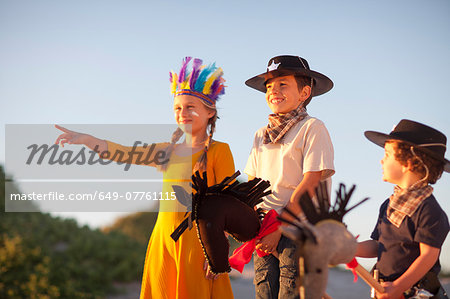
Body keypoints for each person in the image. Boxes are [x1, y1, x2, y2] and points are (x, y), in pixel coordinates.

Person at [55, 57, 235, 298]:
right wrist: (87, 139)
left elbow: (228, 203)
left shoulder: (219, 150)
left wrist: (217, 252)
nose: (183, 113)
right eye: (178, 108)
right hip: (163, 239)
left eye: (191, 107)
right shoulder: (167, 151)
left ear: (210, 111)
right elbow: (123, 153)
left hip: (198, 242)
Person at [244, 55, 335, 299]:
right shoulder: (260, 134)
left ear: (304, 92)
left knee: (291, 291)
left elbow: (311, 182)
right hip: (265, 227)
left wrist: (280, 225)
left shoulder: (312, 127)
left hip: (299, 227)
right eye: (269, 86)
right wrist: (254, 223)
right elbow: (252, 183)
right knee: (264, 290)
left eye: (283, 84)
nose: (274, 91)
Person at [356, 119, 450, 299]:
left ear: (409, 162)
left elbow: (428, 257)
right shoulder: (389, 204)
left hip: (414, 293)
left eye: (387, 155)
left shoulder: (429, 210)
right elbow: (378, 245)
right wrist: (350, 248)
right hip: (384, 289)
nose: (381, 161)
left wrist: (399, 286)